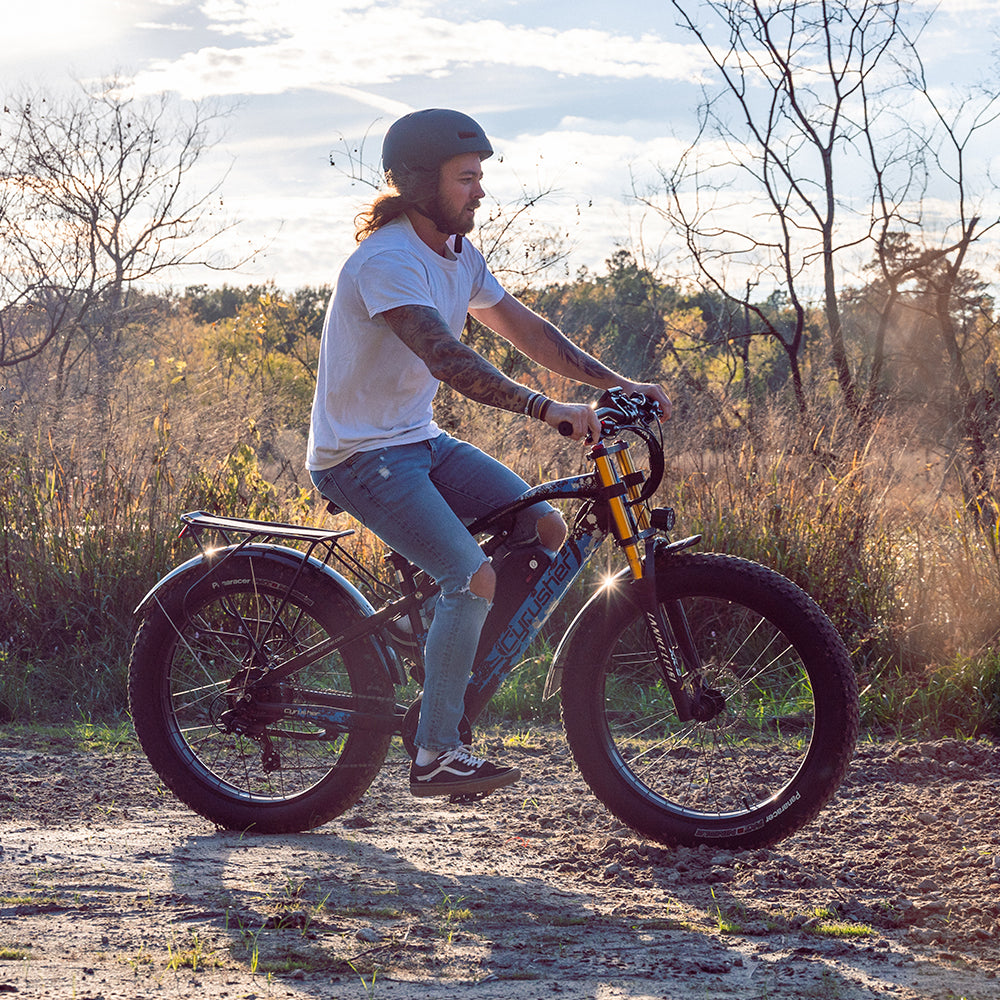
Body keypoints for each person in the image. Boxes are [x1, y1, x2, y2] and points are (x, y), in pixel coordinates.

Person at [307, 108, 671, 800]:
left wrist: (618, 385)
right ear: (420, 182)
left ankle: (441, 657)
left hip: (416, 441)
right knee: (470, 577)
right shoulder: (386, 259)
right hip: (360, 457)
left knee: (542, 529)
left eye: (479, 178)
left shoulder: (455, 254)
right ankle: (437, 751)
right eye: (466, 179)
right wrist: (547, 409)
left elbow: (526, 331)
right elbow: (445, 357)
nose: (479, 192)